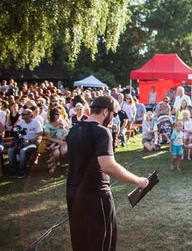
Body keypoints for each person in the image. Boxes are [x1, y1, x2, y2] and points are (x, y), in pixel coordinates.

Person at [48, 96, 149, 251]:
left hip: (73, 194)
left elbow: (65, 149)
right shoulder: (102, 132)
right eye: (114, 114)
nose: (114, 118)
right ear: (105, 111)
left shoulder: (75, 129)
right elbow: (108, 166)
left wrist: (56, 153)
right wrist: (138, 181)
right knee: (100, 244)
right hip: (95, 196)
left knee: (81, 243)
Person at [8, 108, 43, 178]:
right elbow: (17, 132)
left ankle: (22, 171)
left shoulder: (36, 123)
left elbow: (40, 133)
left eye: (24, 114)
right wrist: (20, 138)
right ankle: (14, 170)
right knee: (10, 150)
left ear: (30, 115)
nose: (22, 115)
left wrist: (30, 141)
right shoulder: (21, 122)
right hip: (22, 142)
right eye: (22, 114)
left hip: (33, 142)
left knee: (23, 151)